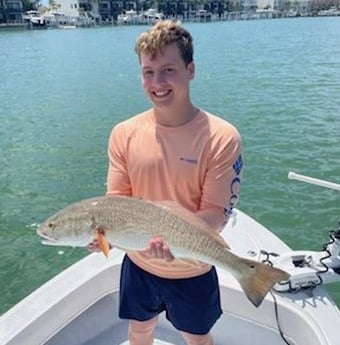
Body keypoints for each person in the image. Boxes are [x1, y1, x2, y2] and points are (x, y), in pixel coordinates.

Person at [89, 20, 243, 345]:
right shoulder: (123, 133)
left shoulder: (221, 137)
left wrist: (172, 240)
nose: (157, 82)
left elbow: (215, 213)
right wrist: (103, 237)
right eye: (148, 72)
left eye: (168, 69)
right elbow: (116, 202)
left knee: (197, 337)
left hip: (193, 268)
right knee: (140, 330)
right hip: (139, 264)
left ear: (191, 70)